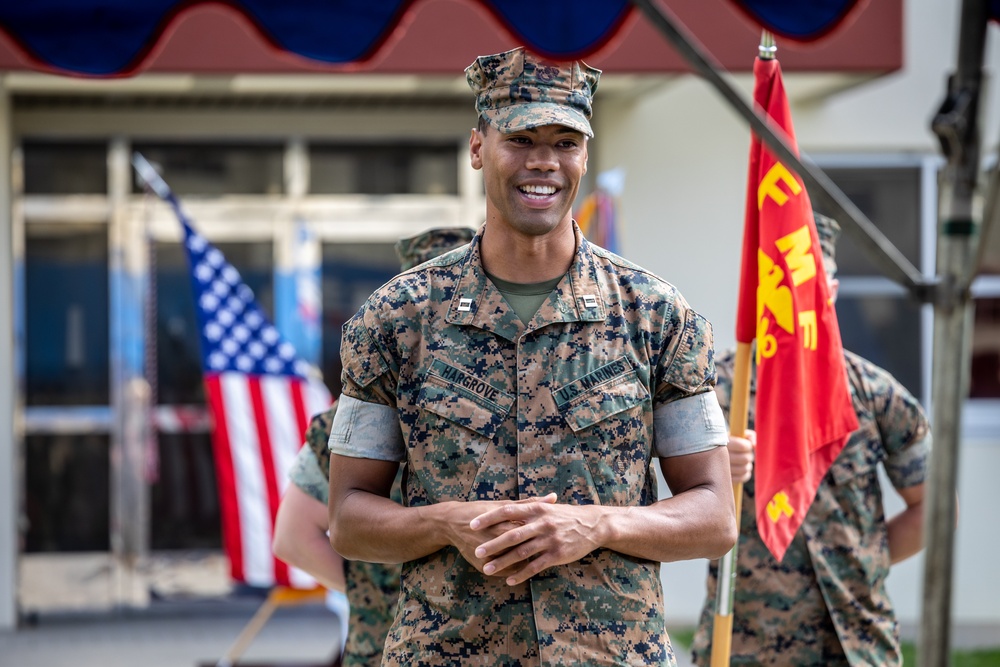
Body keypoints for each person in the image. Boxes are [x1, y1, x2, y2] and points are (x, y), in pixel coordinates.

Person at [326, 46, 737, 666]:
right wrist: (444, 523)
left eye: (565, 142)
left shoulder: (655, 315)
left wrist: (596, 526)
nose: (544, 162)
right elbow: (349, 520)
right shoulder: (395, 319)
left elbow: (713, 517)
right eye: (521, 138)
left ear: (585, 155)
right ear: (476, 148)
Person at [691, 213, 932, 666]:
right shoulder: (717, 390)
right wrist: (716, 472)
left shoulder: (874, 393)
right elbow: (671, 499)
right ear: (759, 289)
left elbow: (934, 507)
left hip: (856, 645)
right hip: (745, 644)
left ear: (833, 292)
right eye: (780, 281)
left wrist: (865, 561)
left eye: (809, 282)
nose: (795, 296)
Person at [272, 227, 476, 666]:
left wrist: (373, 597)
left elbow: (293, 536)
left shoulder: (344, 419)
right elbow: (292, 536)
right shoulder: (507, 410)